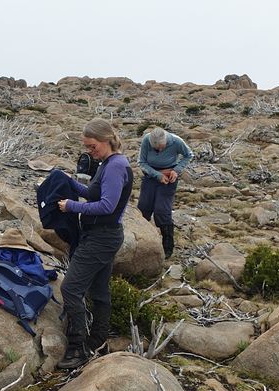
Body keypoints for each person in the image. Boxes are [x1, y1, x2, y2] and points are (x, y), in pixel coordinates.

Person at [56, 119, 134, 369]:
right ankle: (98, 340)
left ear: (106, 140)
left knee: (70, 289)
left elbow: (107, 205)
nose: (90, 152)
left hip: (102, 237)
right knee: (99, 291)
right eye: (87, 147)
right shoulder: (108, 163)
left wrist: (71, 206)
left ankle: (77, 348)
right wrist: (68, 182)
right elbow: (92, 193)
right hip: (102, 235)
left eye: (92, 146)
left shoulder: (115, 166)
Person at [137, 127, 193, 259]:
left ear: (166, 141)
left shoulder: (176, 141)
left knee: (162, 211)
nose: (160, 150)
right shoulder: (146, 140)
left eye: (162, 147)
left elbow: (189, 155)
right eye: (156, 149)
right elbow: (142, 162)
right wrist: (157, 175)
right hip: (150, 176)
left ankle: (167, 247)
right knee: (143, 209)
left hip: (169, 178)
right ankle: (141, 242)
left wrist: (176, 170)